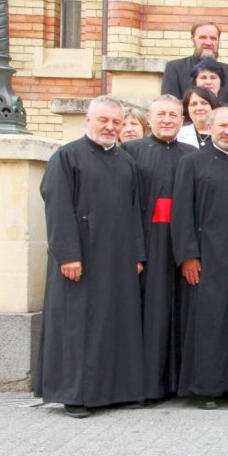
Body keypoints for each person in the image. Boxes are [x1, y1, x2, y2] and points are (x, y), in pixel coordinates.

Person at [36, 96, 146, 418]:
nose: (110, 127)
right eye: (104, 121)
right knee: (79, 327)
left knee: (114, 324)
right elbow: (57, 210)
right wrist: (68, 255)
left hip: (117, 259)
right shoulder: (66, 157)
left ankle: (114, 391)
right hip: (80, 260)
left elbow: (133, 211)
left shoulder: (126, 162)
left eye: (116, 122)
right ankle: (76, 395)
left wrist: (138, 255)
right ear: (89, 119)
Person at [171, 105, 228, 409]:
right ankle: (206, 388)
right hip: (206, 257)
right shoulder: (191, 163)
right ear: (209, 127)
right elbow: (181, 212)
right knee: (209, 321)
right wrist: (188, 255)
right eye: (222, 125)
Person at [123, 94, 196, 401]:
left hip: (182, 243)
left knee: (181, 311)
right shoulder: (131, 152)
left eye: (173, 115)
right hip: (149, 241)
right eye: (161, 114)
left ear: (183, 121)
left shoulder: (191, 154)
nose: (167, 120)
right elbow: (125, 206)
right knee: (149, 312)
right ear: (149, 120)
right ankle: (146, 385)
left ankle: (178, 383)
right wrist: (135, 252)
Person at [161, 21, 228, 106]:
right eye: (203, 38)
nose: (208, 43)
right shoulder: (175, 68)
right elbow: (168, 105)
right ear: (193, 40)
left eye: (213, 38)